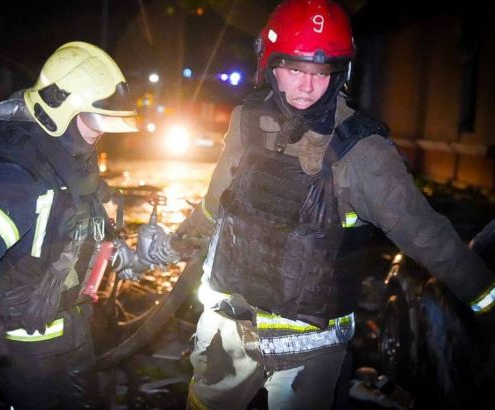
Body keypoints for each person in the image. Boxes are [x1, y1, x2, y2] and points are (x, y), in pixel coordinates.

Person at [135, 0, 495, 408]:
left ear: (340, 74)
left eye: (321, 73)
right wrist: (171, 247)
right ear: (270, 64)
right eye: (295, 69)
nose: (307, 86)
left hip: (308, 355)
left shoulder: (362, 152)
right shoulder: (246, 124)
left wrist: (487, 299)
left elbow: (428, 237)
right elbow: (214, 207)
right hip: (227, 334)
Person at [0, 41, 139, 409]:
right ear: (59, 108)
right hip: (26, 347)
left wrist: (116, 241)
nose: (101, 132)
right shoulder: (17, 173)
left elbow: (80, 208)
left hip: (74, 328)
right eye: (96, 120)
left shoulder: (69, 154)